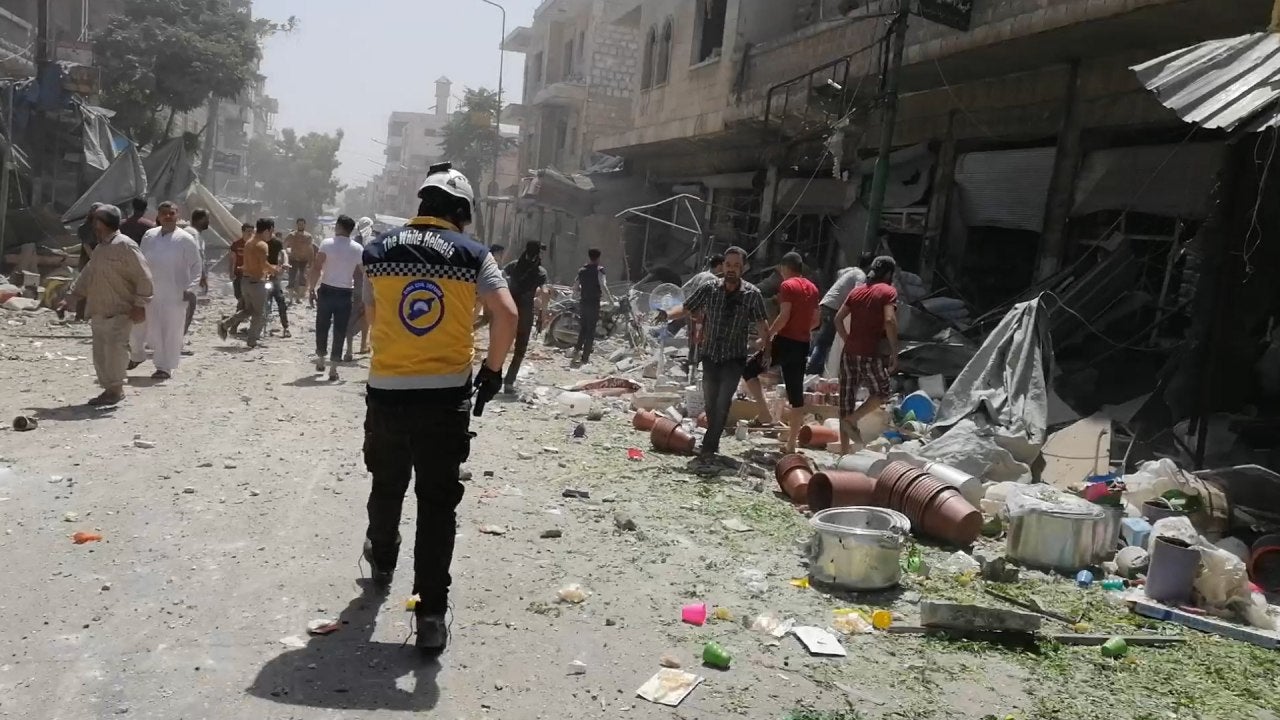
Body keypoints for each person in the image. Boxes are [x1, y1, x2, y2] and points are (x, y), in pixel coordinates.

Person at [360, 161, 518, 654]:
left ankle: (382, 558)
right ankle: (430, 615)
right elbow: (507, 315)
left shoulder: (378, 249)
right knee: (436, 505)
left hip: (387, 393)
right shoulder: (474, 255)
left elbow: (373, 312)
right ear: (461, 212)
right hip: (444, 400)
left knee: (386, 484)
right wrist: (492, 372)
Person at [682, 246, 769, 466]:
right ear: (723, 266)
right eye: (728, 265)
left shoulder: (752, 294)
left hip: (734, 358)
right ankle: (714, 440)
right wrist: (666, 314)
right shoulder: (710, 288)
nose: (731, 269)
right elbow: (687, 307)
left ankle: (708, 448)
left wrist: (767, 349)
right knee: (710, 403)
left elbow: (761, 323)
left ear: (743, 268)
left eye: (736, 266)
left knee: (722, 403)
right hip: (710, 354)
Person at [60, 205, 154, 405]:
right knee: (101, 353)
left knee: (115, 352)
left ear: (104, 223)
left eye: (96, 221)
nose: (93, 225)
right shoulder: (101, 248)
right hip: (99, 311)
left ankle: (116, 389)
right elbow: (87, 275)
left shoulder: (125, 245)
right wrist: (70, 298)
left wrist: (140, 305)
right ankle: (108, 389)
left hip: (119, 311)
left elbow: (144, 277)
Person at [742, 252, 819, 453]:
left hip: (784, 341)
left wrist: (766, 337)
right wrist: (803, 330)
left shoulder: (787, 286)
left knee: (749, 370)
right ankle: (791, 444)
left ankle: (765, 413)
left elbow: (784, 316)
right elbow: (816, 320)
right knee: (796, 393)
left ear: (785, 268)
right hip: (802, 344)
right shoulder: (813, 288)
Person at [127, 202, 201, 380]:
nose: (168, 216)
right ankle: (138, 355)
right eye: (164, 213)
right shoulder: (149, 235)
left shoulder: (185, 239)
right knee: (139, 326)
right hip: (150, 291)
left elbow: (196, 266)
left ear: (178, 215)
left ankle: (164, 367)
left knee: (169, 331)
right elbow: (142, 261)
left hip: (175, 293)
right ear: (158, 216)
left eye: (171, 213)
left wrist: (191, 288)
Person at [835, 256, 899, 454]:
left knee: (845, 401)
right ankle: (853, 420)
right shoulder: (889, 292)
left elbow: (838, 320)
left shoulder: (857, 291)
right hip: (872, 353)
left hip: (849, 353)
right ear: (889, 274)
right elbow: (889, 320)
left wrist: (848, 340)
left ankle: (844, 454)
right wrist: (895, 351)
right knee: (883, 392)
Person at [308, 215, 365, 380]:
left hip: (327, 290)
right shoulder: (357, 249)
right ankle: (333, 368)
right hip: (345, 293)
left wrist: (311, 288)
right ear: (351, 229)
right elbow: (365, 273)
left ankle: (320, 359)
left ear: (338, 226)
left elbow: (317, 267)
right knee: (340, 330)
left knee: (322, 325)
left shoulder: (327, 244)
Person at [808, 252, 874, 375]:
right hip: (833, 308)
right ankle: (811, 371)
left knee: (822, 340)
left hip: (827, 304)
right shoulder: (861, 276)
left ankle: (811, 368)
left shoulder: (851, 271)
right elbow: (857, 294)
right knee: (824, 342)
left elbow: (839, 275)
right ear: (870, 266)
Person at [218, 218, 277, 348]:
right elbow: (263, 264)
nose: (271, 234)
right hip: (256, 282)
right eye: (271, 231)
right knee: (259, 313)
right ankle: (252, 340)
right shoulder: (262, 245)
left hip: (245, 281)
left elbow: (251, 263)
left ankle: (226, 324)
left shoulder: (249, 242)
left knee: (248, 310)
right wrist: (275, 269)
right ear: (267, 230)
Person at [502, 240, 548, 394]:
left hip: (508, 311)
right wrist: (543, 315)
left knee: (501, 346)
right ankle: (509, 382)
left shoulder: (513, 265)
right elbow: (545, 293)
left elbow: (499, 277)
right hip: (525, 315)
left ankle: (492, 378)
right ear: (538, 254)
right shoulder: (540, 272)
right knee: (520, 350)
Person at [344, 217, 375, 361]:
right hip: (367, 284)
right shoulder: (373, 242)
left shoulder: (352, 243)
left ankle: (349, 349)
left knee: (350, 316)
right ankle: (363, 345)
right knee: (365, 315)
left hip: (353, 283)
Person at [571, 248, 607, 366]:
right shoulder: (599, 271)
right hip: (594, 303)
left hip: (583, 302)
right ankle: (585, 358)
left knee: (583, 328)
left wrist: (578, 294)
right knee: (591, 330)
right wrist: (610, 299)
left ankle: (576, 351)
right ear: (598, 258)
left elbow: (575, 287)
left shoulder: (581, 271)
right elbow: (603, 286)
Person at [183, 208, 211, 338]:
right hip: (188, 279)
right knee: (187, 309)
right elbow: (198, 255)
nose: (208, 222)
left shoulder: (193, 233)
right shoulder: (192, 233)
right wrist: (203, 276)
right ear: (200, 220)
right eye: (207, 219)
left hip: (188, 278)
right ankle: (176, 342)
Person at [74, 202, 104, 321]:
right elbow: (86, 245)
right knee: (83, 289)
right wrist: (95, 260)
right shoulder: (84, 228)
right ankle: (80, 315)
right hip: (87, 261)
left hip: (100, 260)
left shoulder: (103, 227)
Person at [264, 230, 291, 337]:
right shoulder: (258, 243)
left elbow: (283, 253)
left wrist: (285, 263)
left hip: (273, 276)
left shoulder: (276, 243)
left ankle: (286, 327)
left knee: (281, 301)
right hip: (260, 276)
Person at [285, 218, 317, 306]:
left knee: (302, 278)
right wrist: (285, 256)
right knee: (291, 278)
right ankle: (291, 299)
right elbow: (284, 244)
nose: (301, 225)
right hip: (293, 259)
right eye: (299, 224)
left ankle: (298, 298)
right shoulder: (291, 235)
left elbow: (311, 249)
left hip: (304, 259)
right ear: (297, 225)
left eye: (302, 224)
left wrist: (311, 261)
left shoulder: (308, 236)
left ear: (304, 225)